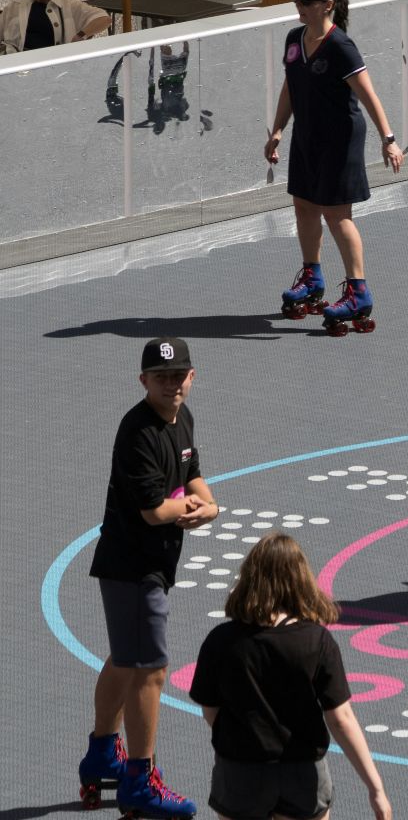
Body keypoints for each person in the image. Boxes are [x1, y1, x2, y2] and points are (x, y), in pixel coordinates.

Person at [80, 338, 220, 818]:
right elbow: (156, 510)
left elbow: (192, 472)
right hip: (134, 567)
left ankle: (102, 753)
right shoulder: (137, 432)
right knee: (151, 670)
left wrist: (211, 503)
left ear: (192, 377)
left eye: (178, 375)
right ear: (143, 381)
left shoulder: (183, 419)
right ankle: (140, 778)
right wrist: (189, 508)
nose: (171, 383)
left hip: (147, 564)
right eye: (161, 377)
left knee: (125, 657)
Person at [188, 534, 391, 820]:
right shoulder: (316, 642)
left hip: (241, 771)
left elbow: (211, 710)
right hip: (302, 773)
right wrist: (375, 788)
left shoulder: (221, 641)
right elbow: (340, 718)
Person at [265, 0, 404, 336]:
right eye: (296, 0)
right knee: (304, 204)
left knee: (336, 214)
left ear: (326, 5)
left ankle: (358, 292)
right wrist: (278, 130)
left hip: (340, 141)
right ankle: (312, 277)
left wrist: (388, 138)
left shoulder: (341, 46)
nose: (299, 6)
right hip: (307, 137)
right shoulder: (294, 40)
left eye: (306, 1)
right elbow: (290, 88)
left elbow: (368, 95)